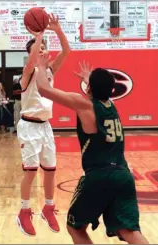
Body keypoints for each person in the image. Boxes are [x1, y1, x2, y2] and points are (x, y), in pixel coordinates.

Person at [35, 55, 149, 244]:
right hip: (124, 175)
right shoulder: (111, 105)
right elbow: (100, 90)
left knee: (75, 227)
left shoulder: (85, 104)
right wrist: (89, 79)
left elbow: (43, 89)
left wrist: (40, 66)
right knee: (129, 230)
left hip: (99, 176)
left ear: (88, 88)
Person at [16, 14, 70, 236]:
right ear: (31, 53)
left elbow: (67, 51)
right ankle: (23, 212)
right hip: (28, 126)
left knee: (50, 171)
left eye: (44, 47)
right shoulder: (27, 73)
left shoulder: (49, 71)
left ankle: (48, 207)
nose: (43, 49)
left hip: (45, 126)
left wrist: (56, 30)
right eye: (39, 48)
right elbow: (31, 61)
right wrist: (38, 37)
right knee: (31, 173)